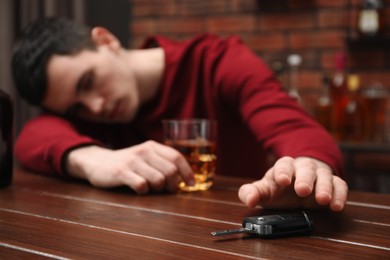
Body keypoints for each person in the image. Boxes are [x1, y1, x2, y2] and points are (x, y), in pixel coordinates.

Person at [12, 17, 348, 212]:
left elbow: (294, 127)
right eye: (76, 107)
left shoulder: (217, 60)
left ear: (106, 40)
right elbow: (32, 135)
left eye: (88, 82)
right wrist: (92, 160)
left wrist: (309, 167)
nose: (95, 108)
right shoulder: (92, 116)